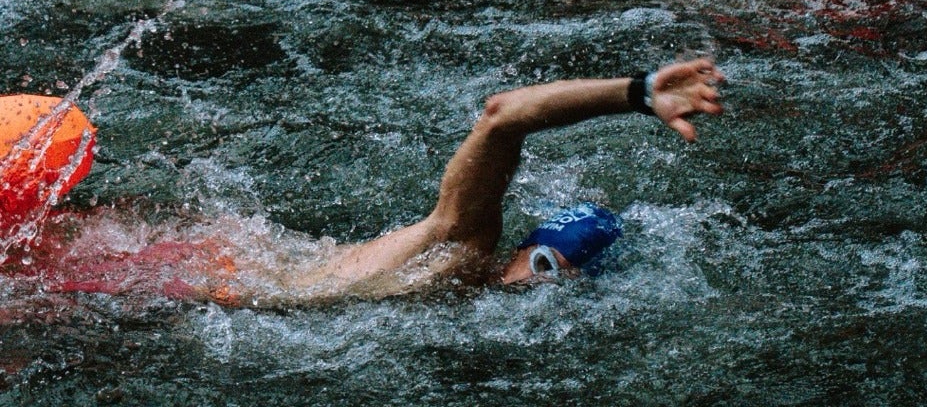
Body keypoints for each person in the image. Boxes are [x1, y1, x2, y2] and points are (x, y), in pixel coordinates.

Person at [41, 58, 725, 305]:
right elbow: (502, 118)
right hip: (214, 283)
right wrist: (633, 93)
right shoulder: (448, 256)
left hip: (200, 266)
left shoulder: (433, 269)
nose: (550, 286)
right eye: (552, 270)